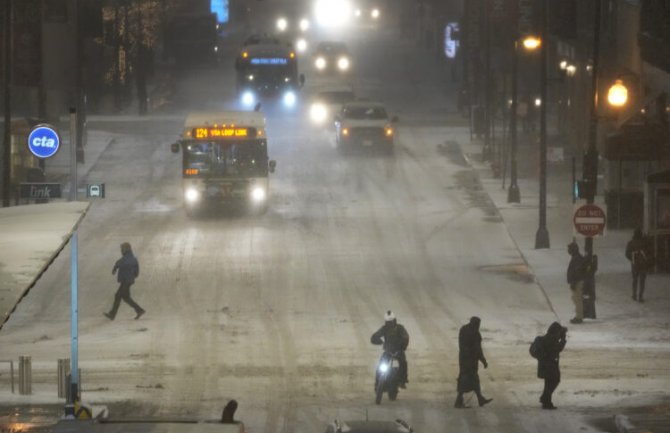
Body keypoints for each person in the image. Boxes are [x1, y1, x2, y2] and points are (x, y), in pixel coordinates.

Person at [454, 317, 492, 408]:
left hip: (470, 360)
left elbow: (478, 349)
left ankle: (480, 399)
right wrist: (479, 359)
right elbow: (465, 347)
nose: (478, 326)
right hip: (466, 361)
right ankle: (459, 401)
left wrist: (483, 360)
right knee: (465, 380)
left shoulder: (473, 333)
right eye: (477, 324)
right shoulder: (467, 332)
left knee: (473, 380)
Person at [104, 242, 145, 320]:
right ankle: (139, 310)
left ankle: (112, 314)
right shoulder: (129, 257)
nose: (121, 250)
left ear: (125, 249)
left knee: (118, 296)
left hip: (127, 281)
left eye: (122, 249)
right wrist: (115, 267)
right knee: (126, 297)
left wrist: (116, 267)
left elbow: (122, 263)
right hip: (127, 280)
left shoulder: (129, 258)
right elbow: (135, 271)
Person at [371, 310, 409, 388]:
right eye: (388, 322)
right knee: (380, 365)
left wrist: (402, 346)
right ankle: (377, 382)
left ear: (394, 321)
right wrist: (380, 341)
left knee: (403, 363)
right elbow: (375, 336)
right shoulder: (384, 329)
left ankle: (402, 380)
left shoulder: (400, 328)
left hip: (399, 351)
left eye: (390, 322)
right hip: (388, 351)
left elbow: (406, 337)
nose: (389, 324)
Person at [536, 322, 567, 409]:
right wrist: (563, 339)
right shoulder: (552, 339)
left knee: (549, 383)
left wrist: (561, 336)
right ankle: (545, 399)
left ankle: (547, 402)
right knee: (554, 381)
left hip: (545, 364)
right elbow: (559, 348)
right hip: (550, 365)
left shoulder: (548, 337)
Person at [625, 228, 652, 302]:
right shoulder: (645, 242)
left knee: (635, 280)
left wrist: (633, 258)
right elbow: (649, 252)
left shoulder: (630, 243)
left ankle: (634, 294)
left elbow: (627, 254)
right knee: (642, 281)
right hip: (643, 264)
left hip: (635, 264)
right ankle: (640, 296)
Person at [567, 241, 586, 324]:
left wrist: (573, 283)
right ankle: (579, 315)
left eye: (569, 249)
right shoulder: (576, 257)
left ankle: (579, 317)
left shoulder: (577, 258)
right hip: (577, 281)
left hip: (577, 282)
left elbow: (577, 272)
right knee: (575, 299)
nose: (568, 250)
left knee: (578, 299)